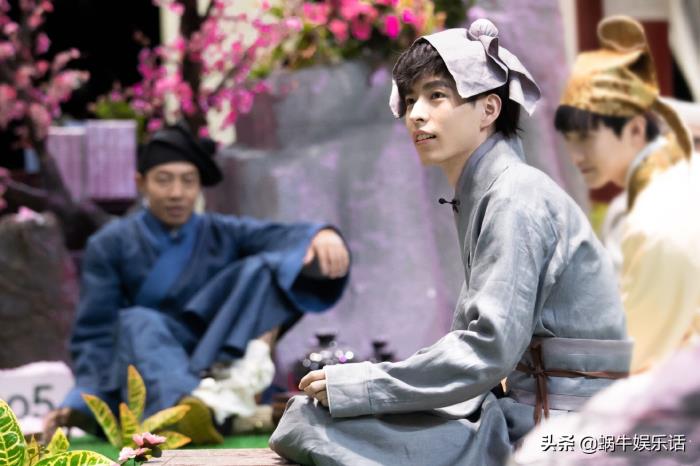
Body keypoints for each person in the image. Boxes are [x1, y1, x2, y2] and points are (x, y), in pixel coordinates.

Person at [268, 20, 630, 466]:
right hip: (532, 407)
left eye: (436, 96)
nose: (416, 114)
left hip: (563, 425)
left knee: (311, 422)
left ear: (489, 109)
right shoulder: (492, 192)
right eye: (411, 100)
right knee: (314, 417)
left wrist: (366, 384)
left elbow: (488, 348)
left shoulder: (516, 196)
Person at [42, 121, 351, 444]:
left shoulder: (221, 232)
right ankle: (188, 410)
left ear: (199, 186)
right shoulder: (110, 243)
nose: (177, 193)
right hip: (147, 365)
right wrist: (81, 400)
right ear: (141, 183)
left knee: (266, 267)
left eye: (188, 181)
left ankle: (210, 408)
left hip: (214, 360)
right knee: (137, 321)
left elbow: (281, 236)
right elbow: (94, 334)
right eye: (164, 180)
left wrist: (320, 235)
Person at [554, 16, 700, 373]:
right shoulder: (678, 176)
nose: (576, 156)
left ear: (635, 129)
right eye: (569, 141)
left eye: (585, 138)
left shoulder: (656, 215)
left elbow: (633, 352)